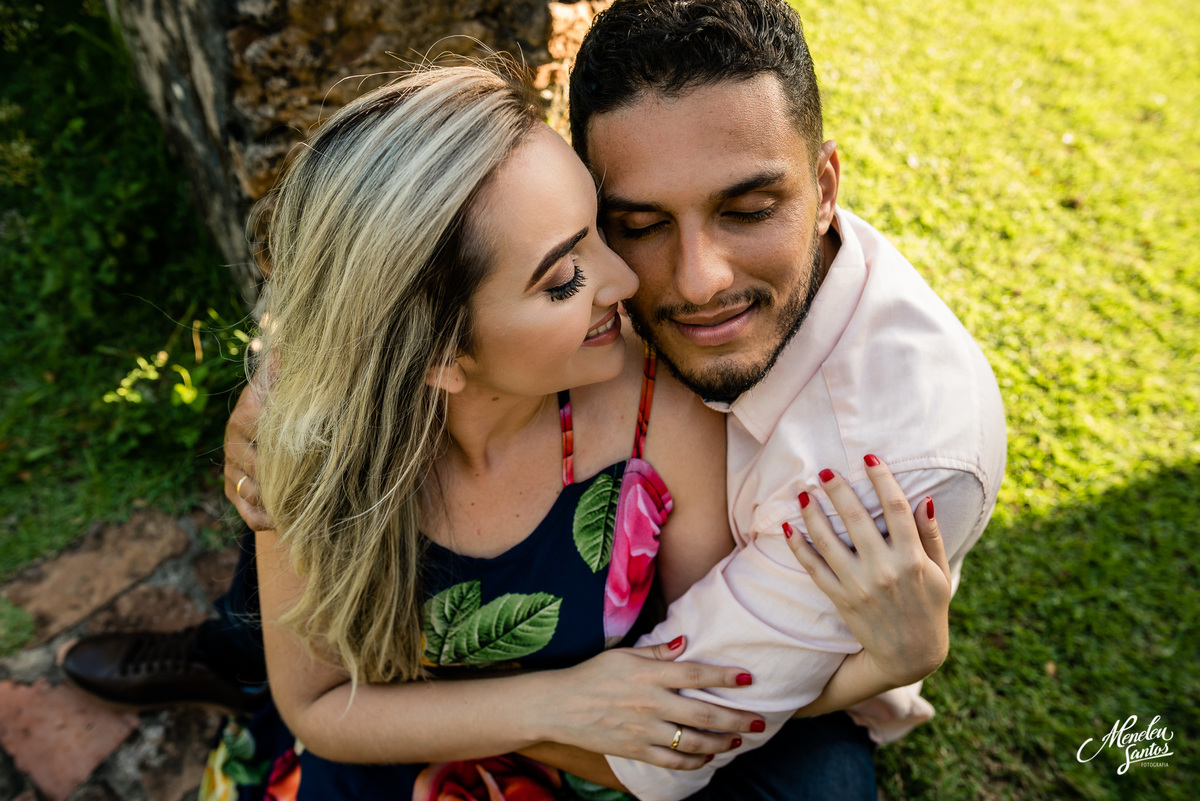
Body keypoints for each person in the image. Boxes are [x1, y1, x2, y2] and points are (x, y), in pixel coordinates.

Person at [63, 0, 1003, 796]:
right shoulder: (323, 421)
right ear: (432, 352)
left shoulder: (844, 441)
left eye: (750, 208)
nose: (656, 282)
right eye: (624, 226)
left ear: (825, 185)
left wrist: (888, 662)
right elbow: (331, 700)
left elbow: (681, 721)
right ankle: (240, 657)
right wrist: (289, 391)